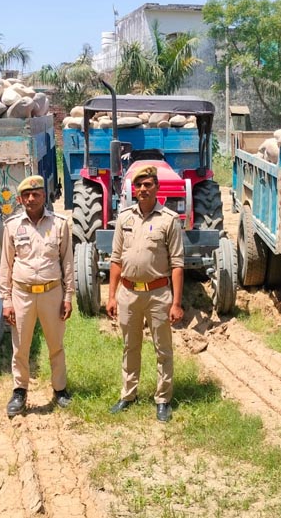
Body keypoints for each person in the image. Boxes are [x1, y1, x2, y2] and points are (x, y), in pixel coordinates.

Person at [106, 165, 184, 422]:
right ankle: (128, 395)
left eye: (148, 184)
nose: (143, 189)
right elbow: (116, 260)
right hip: (129, 294)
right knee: (131, 346)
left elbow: (177, 264)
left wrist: (176, 303)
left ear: (156, 187)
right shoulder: (124, 218)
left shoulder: (169, 220)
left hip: (158, 293)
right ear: (133, 189)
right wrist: (112, 295)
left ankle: (163, 399)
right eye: (139, 185)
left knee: (163, 349)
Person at [0, 175, 74, 418]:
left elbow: (68, 263)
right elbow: (5, 266)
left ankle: (60, 389)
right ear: (20, 199)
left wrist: (68, 297)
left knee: (56, 345)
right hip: (22, 295)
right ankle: (19, 391)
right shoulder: (11, 226)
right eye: (27, 195)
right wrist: (6, 301)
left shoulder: (59, 224)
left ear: (44, 196)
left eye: (37, 194)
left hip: (52, 292)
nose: (31, 199)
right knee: (20, 346)